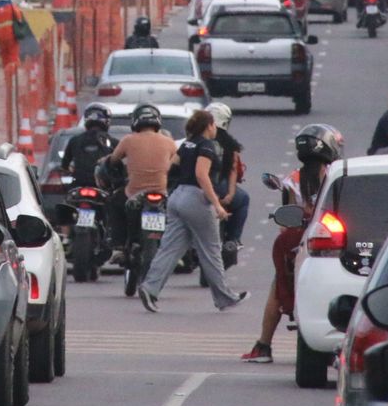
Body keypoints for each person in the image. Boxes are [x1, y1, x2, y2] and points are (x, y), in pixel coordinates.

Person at [241, 123, 343, 362]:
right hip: (331, 246)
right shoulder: (336, 177)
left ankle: (264, 345)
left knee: (278, 288)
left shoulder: (291, 180)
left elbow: (287, 220)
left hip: (298, 245)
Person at [136, 109, 250, 313]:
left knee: (170, 248)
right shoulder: (207, 146)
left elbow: (171, 167)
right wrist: (216, 204)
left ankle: (149, 287)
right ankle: (224, 297)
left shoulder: (187, 144)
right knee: (212, 250)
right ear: (208, 126)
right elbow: (201, 175)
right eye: (214, 125)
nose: (215, 128)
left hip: (177, 197)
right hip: (197, 199)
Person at [106, 103, 178, 253]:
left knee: (114, 202)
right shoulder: (169, 142)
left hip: (132, 193)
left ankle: (118, 245)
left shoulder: (128, 140)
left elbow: (113, 161)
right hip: (162, 193)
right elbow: (177, 164)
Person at [208, 102, 249, 269]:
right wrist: (230, 194)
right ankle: (233, 238)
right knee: (244, 199)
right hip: (219, 188)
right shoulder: (230, 145)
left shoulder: (195, 140)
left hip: (197, 189)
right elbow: (233, 170)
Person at [61, 103, 117, 186]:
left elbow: (64, 164)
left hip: (79, 184)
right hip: (104, 186)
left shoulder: (75, 140)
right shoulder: (113, 142)